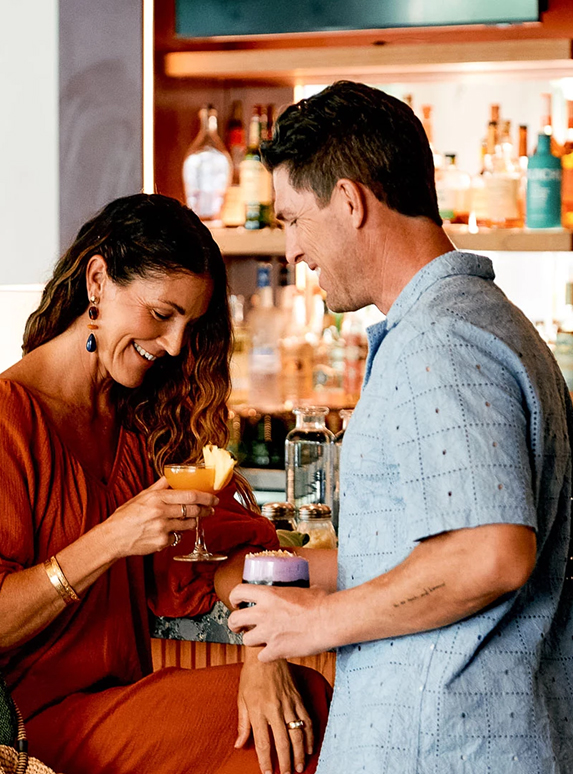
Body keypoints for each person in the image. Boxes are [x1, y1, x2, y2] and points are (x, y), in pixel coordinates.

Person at [228, 81, 573, 772]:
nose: (290, 247)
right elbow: (431, 549)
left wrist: (317, 621)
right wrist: (303, 576)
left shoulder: (441, 342)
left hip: (444, 745)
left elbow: (487, 553)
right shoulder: (475, 322)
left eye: (295, 218)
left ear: (351, 202)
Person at [0, 193, 331, 774]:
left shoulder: (146, 422)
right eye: (161, 313)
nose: (176, 345)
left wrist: (263, 649)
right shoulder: (9, 421)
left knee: (295, 705)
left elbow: (233, 550)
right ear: (97, 280)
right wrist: (111, 539)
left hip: (118, 703)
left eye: (191, 323)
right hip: (24, 729)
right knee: (280, 732)